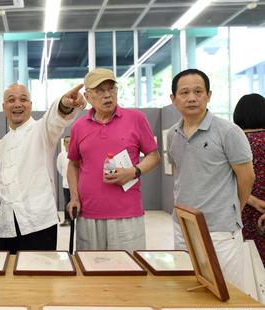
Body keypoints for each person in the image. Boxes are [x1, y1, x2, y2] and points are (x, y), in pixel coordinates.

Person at [167, 69, 255, 291]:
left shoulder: (228, 131)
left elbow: (247, 177)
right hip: (183, 226)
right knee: (188, 289)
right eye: (184, 92)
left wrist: (234, 209)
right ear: (173, 99)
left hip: (219, 229)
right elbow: (181, 173)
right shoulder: (172, 134)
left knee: (227, 292)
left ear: (209, 95)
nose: (192, 98)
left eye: (198, 91)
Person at [67, 68, 160, 254]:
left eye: (111, 88)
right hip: (88, 216)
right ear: (88, 95)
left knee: (128, 274)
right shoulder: (79, 126)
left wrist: (134, 171)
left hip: (127, 215)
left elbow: (154, 157)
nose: (107, 95)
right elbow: (73, 164)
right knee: (91, 273)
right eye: (100, 90)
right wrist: (74, 197)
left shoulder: (136, 119)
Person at [0, 83, 86, 254]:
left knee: (38, 276)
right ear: (4, 107)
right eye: (11, 100)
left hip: (38, 222)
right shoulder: (5, 140)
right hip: (6, 223)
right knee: (3, 274)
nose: (18, 104)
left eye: (24, 99)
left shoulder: (41, 130)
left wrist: (64, 105)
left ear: (31, 105)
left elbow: (55, 119)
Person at [233, 93, 265, 265]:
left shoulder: (235, 142)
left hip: (241, 209)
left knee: (248, 266)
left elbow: (228, 180)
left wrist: (253, 201)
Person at [57, 136, 71, 226]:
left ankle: (77, 220)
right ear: (64, 143)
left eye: (70, 142)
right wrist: (65, 177)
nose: (68, 144)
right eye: (66, 142)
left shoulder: (76, 153)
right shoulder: (61, 155)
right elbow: (59, 167)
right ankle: (67, 220)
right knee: (67, 201)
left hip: (76, 184)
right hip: (66, 183)